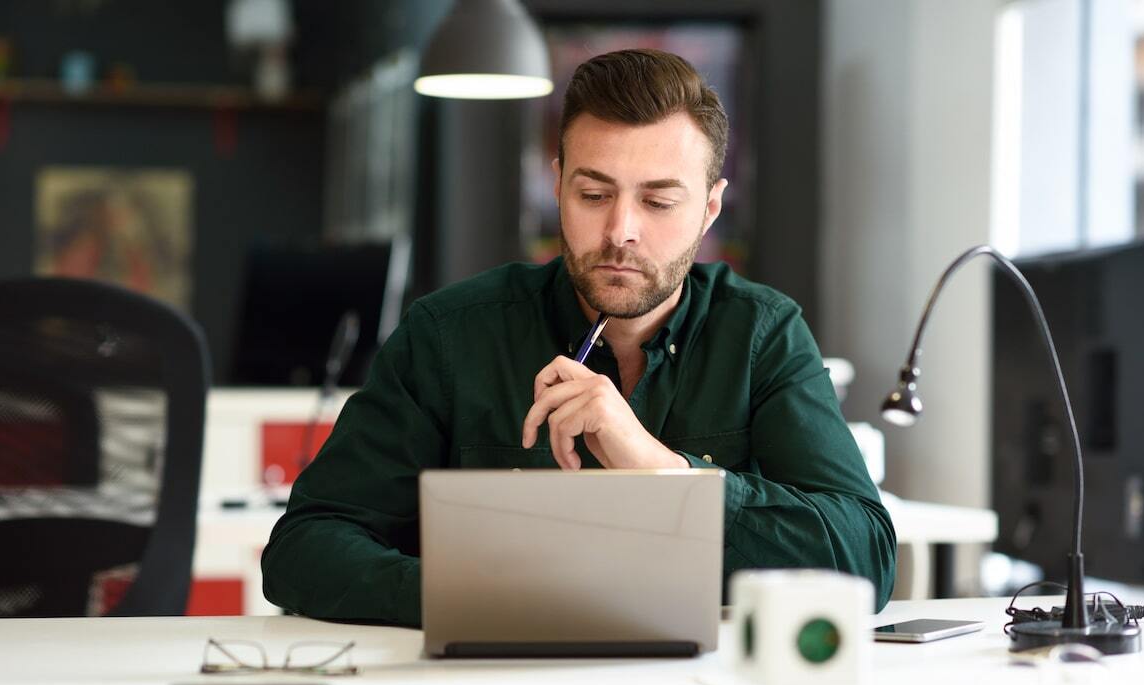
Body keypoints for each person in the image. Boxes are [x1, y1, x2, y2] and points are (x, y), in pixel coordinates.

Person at [262, 49, 896, 625]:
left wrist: (659, 470)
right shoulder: (450, 334)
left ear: (709, 207)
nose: (620, 230)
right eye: (594, 193)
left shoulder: (761, 332)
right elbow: (304, 547)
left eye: (659, 202)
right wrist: (480, 596)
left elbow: (865, 554)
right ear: (560, 184)